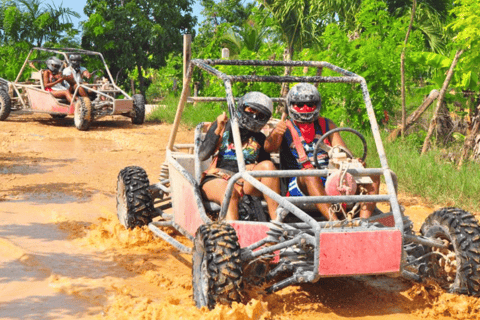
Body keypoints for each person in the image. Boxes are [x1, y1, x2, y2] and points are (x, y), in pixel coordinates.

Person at [265, 83, 380, 220]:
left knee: (373, 174)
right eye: (299, 105)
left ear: (317, 105)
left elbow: (341, 151)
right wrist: (276, 134)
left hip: (329, 178)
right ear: (291, 105)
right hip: (299, 184)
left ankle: (364, 222)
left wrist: (353, 162)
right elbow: (268, 148)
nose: (305, 109)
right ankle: (335, 223)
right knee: (310, 174)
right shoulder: (285, 127)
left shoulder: (326, 124)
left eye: (310, 104)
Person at [199, 92, 281, 221]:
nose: (254, 115)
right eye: (251, 109)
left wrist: (253, 166)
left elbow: (266, 170)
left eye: (260, 114)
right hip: (217, 178)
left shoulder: (260, 138)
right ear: (243, 107)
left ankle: (277, 225)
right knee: (229, 192)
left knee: (268, 166)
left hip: (244, 181)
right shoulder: (223, 125)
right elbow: (202, 155)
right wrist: (218, 128)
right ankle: (234, 234)